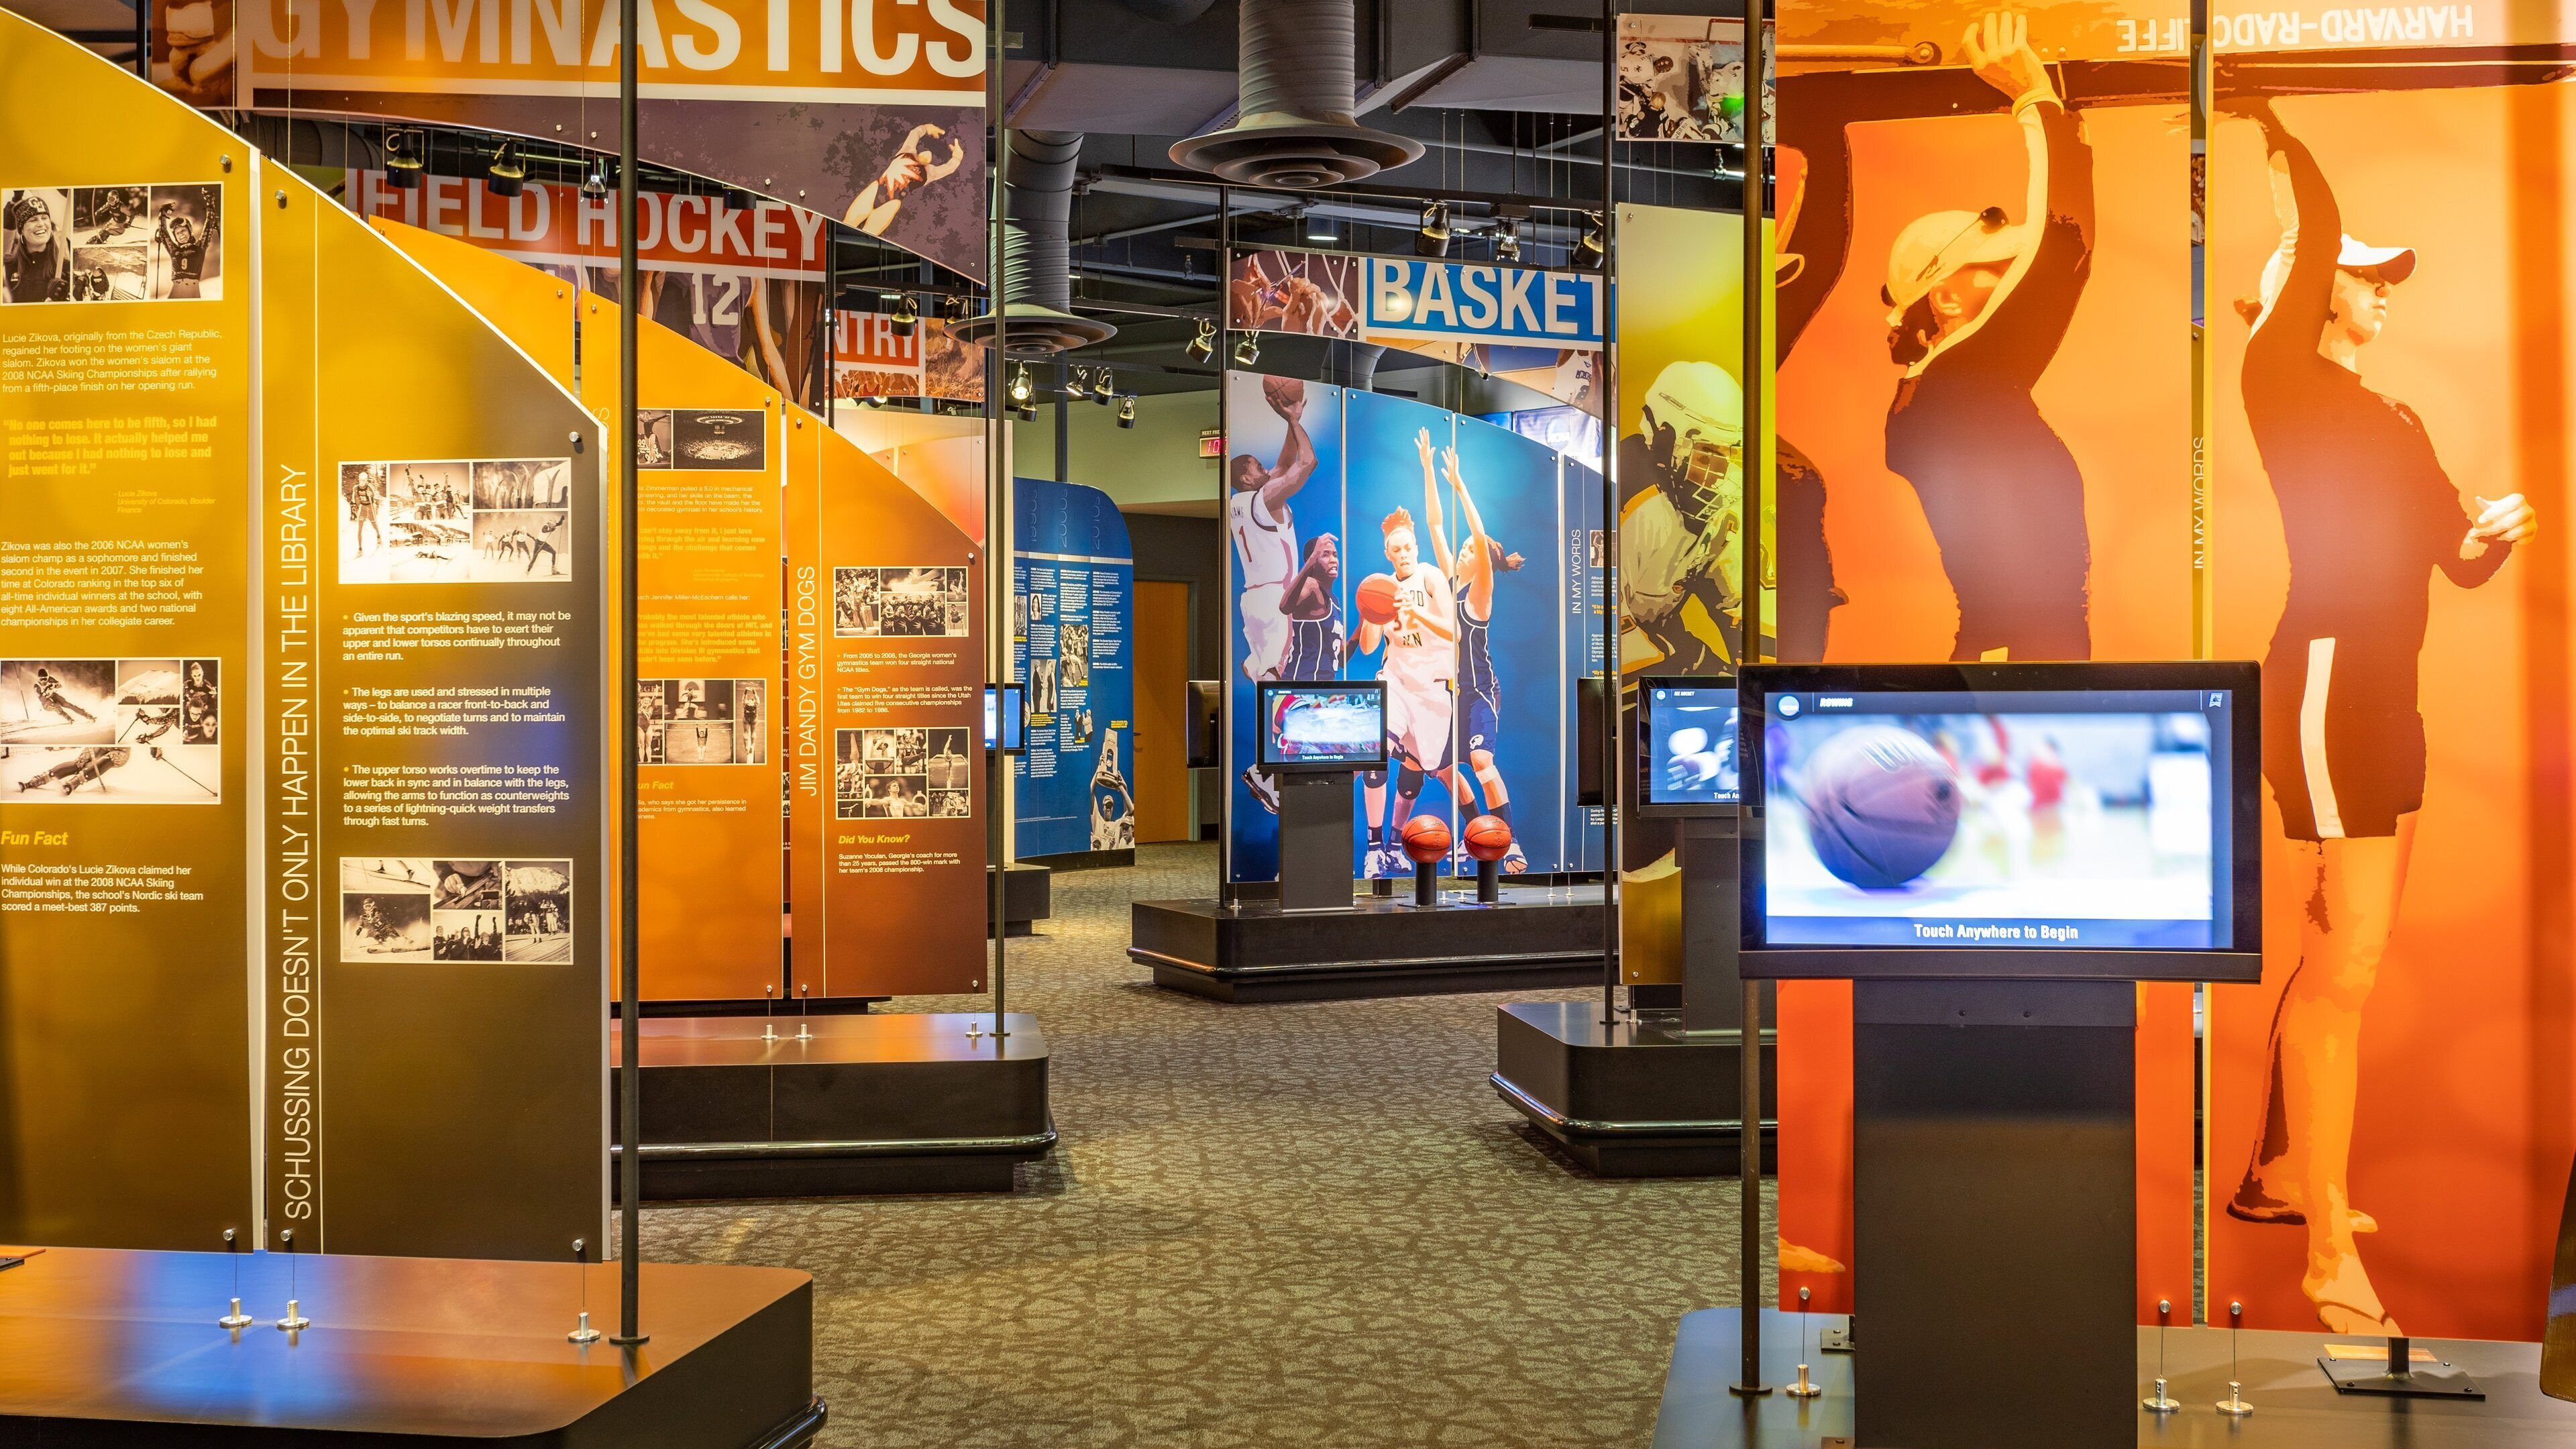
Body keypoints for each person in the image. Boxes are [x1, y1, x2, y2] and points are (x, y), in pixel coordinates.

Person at [2221, 99, 2535, 1338]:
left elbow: (2450, 563)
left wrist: (2487, 539)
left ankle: (2284, 1170)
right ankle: (2321, 1252)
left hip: (2385, 691)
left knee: (2345, 950)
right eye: (2362, 277)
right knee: (2345, 959)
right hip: (2326, 682)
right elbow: (2322, 227)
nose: (2382, 290)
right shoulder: (2279, 379)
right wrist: (2274, 132)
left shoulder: (2390, 417)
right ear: (2309, 286)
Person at [1880, 10, 2094, 662]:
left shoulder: (1942, 388)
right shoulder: (1962, 381)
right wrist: (2035, 98)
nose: (2017, 275)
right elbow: (2066, 241)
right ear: (1944, 297)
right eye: (1999, 268)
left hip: (2009, 652)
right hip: (2020, 658)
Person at [1420, 431, 1530, 873]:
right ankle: (1476, 835)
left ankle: (1510, 841)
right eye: (1463, 548)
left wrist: (1461, 487)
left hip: (1480, 691)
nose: (1463, 549)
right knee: (1444, 769)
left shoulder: (1480, 594)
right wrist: (1429, 470)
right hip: (1450, 695)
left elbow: (1479, 536)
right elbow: (1434, 525)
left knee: (1481, 760)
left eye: (1469, 549)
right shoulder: (1450, 584)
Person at [1354, 506, 1467, 877]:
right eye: (1395, 550)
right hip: (1397, 681)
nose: (1403, 554)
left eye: (1407, 548)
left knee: (1418, 770)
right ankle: (1373, 847)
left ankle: (1394, 842)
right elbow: (1370, 648)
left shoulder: (1431, 577)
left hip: (1433, 690)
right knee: (1378, 751)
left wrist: (1414, 613)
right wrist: (1373, 612)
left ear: (1416, 548)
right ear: (1388, 554)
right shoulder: (1381, 588)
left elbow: (1456, 633)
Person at [1619, 361, 1745, 674]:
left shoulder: (1718, 508)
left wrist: (1763, 679)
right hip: (1610, 651)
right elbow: (1601, 632)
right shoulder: (1625, 497)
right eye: (1706, 454)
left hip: (1660, 635)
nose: (1719, 474)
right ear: (1663, 437)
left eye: (1729, 455)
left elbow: (1743, 610)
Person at [1242, 533, 1350, 812]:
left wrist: (1366, 623)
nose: (1333, 559)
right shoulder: (1311, 586)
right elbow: (1284, 606)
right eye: (1325, 555)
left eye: (1334, 554)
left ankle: (1264, 773)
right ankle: (1263, 772)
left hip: (1322, 694)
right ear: (1312, 562)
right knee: (1319, 759)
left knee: (1337, 761)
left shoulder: (1334, 601)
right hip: (1300, 688)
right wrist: (1310, 562)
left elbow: (1339, 657)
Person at [1229, 378, 1322, 682]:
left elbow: (1283, 464)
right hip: (1274, 599)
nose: (1267, 470)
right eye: (1258, 467)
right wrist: (1293, 420)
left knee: (1257, 669)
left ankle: (1259, 677)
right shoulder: (1264, 499)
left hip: (1251, 599)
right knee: (1276, 676)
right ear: (1246, 479)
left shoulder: (1240, 502)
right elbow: (1307, 462)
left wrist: (1290, 421)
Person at [844, 123, 966, 237]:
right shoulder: (907, 152)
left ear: (930, 163)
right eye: (926, 152)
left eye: (930, 156)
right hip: (876, 190)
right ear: (920, 152)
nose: (928, 155)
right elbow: (915, 134)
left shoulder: (929, 173)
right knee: (847, 224)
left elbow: (949, 169)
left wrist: (957, 158)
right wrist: (926, 127)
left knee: (870, 233)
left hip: (892, 203)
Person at [4, 192, 70, 303]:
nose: (41, 224)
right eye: (33, 220)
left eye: (45, 218)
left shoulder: (66, 268)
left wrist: (63, 301)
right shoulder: (7, 266)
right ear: (22, 231)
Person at [31, 667, 96, 727]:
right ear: (38, 678)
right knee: (56, 706)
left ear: (47, 677)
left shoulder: (50, 679)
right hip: (46, 704)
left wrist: (53, 685)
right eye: (41, 679)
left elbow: (59, 685)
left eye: (45, 679)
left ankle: (86, 715)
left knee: (67, 704)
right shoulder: (37, 686)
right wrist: (45, 693)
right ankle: (69, 718)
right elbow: (41, 699)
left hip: (53, 695)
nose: (43, 681)